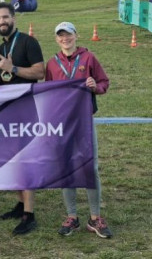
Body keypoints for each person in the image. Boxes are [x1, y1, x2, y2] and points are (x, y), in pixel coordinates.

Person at [45, 21, 113, 239]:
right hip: (62, 124)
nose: (65, 38)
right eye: (61, 35)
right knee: (66, 168)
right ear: (56, 39)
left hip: (84, 121)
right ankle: (72, 216)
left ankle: (95, 217)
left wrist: (95, 87)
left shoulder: (88, 58)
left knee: (90, 167)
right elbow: (48, 93)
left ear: (76, 35)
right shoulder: (52, 64)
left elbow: (104, 82)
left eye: (68, 34)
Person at [0, 2, 45, 235]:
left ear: (14, 18)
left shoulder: (28, 42)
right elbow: (2, 78)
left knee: (26, 160)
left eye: (5, 17)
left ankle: (29, 215)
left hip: (26, 109)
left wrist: (14, 69)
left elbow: (40, 72)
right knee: (13, 159)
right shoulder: (0, 48)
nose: (1, 22)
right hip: (8, 111)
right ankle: (20, 204)